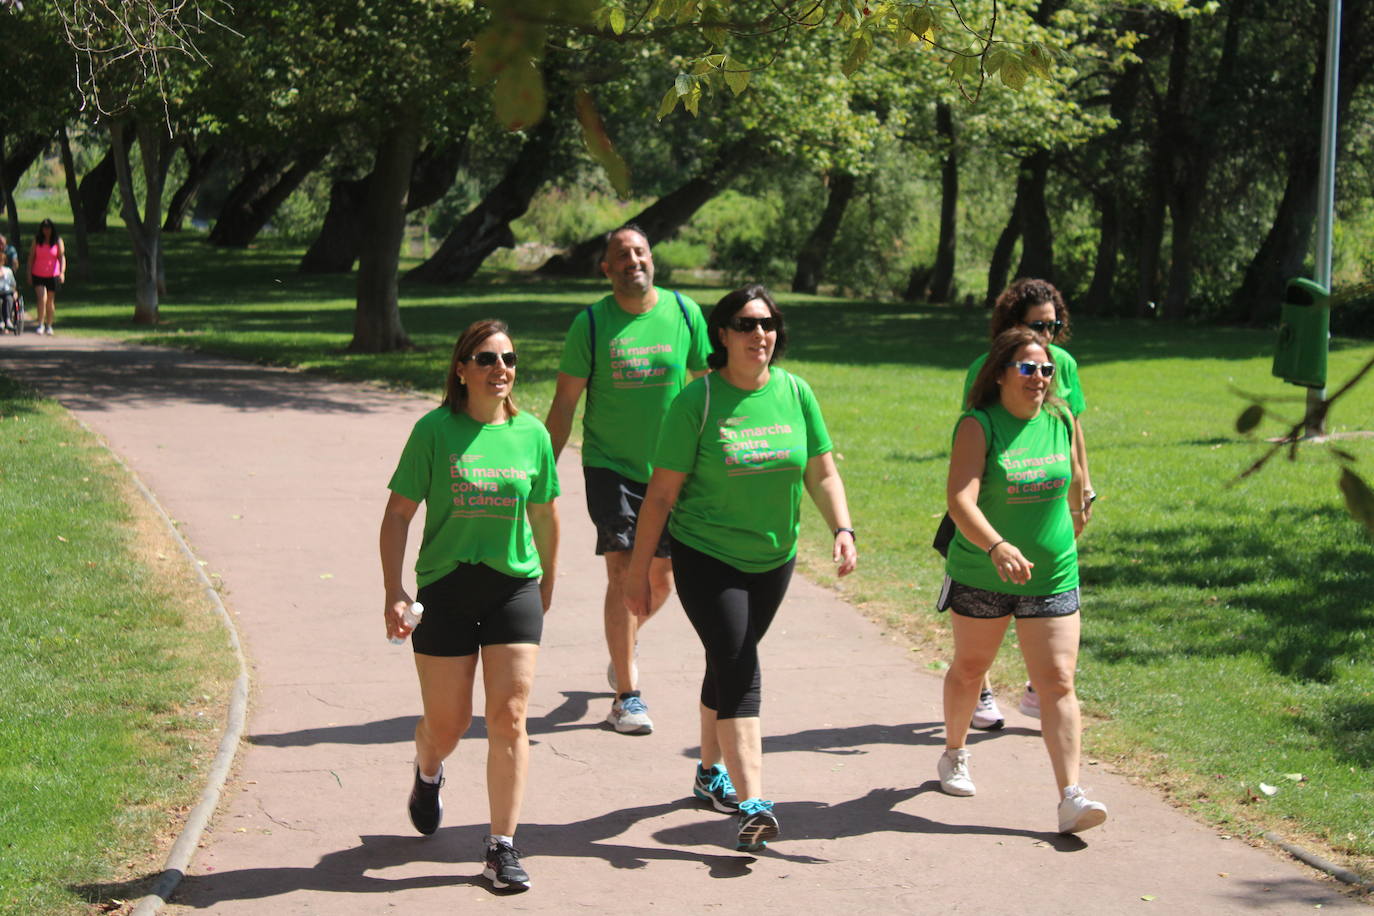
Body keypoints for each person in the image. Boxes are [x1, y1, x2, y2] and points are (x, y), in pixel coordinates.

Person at [624, 284, 857, 851]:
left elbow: (822, 472)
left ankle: (708, 772)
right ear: (721, 334)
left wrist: (843, 528)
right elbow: (659, 496)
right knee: (740, 664)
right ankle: (753, 801)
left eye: (769, 324)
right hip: (706, 555)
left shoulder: (796, 392)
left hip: (774, 557)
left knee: (726, 661)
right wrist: (639, 569)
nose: (761, 334)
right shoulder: (697, 402)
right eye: (747, 324)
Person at [380, 319, 560, 891]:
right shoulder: (435, 431)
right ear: (461, 369)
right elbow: (398, 515)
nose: (499, 368)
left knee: (509, 718)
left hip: (512, 588)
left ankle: (501, 846)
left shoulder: (532, 434)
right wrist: (394, 590)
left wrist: (546, 584)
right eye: (485, 358)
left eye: (508, 358)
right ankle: (428, 767)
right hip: (447, 589)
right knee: (450, 723)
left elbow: (546, 516)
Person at [936, 326, 1107, 835]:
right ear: (1001, 373)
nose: (1039, 378)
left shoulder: (1060, 418)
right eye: (1028, 368)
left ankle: (1070, 797)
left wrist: (1079, 511)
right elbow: (960, 499)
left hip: (1053, 575)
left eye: (1047, 370)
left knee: (1057, 681)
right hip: (982, 570)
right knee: (971, 669)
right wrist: (996, 545)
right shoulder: (979, 425)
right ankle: (954, 752)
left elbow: (1077, 474)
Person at [544, 223, 711, 736]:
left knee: (660, 581)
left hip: (670, 469)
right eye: (622, 254)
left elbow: (708, 391)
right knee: (623, 576)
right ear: (607, 268)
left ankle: (623, 649)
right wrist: (541, 473)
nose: (633, 260)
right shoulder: (591, 324)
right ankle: (626, 697)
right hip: (610, 467)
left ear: (651, 258)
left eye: (640, 250)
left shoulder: (685, 314)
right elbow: (566, 403)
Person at [961, 278, 1096, 730]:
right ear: (1011, 327)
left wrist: (1083, 491)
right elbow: (976, 429)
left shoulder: (1063, 366)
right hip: (998, 492)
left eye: (1055, 325)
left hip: (1048, 490)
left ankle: (1041, 686)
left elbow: (1071, 429)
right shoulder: (985, 368)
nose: (1048, 336)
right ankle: (977, 688)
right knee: (981, 623)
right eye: (1038, 326)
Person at [28, 219, 65, 336]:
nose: (46, 230)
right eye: (44, 228)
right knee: (41, 298)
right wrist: (28, 273)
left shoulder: (58, 241)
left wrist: (62, 272)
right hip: (38, 273)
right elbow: (31, 257)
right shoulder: (37, 240)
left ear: (52, 229)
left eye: (48, 228)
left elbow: (61, 257)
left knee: (50, 301)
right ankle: (40, 324)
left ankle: (49, 324)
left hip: (53, 274)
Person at [0, 251, 19, 333]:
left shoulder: (8, 271)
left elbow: (13, 283)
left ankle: (8, 320)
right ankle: (1, 321)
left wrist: (15, 291)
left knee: (8, 299)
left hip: (7, 291)